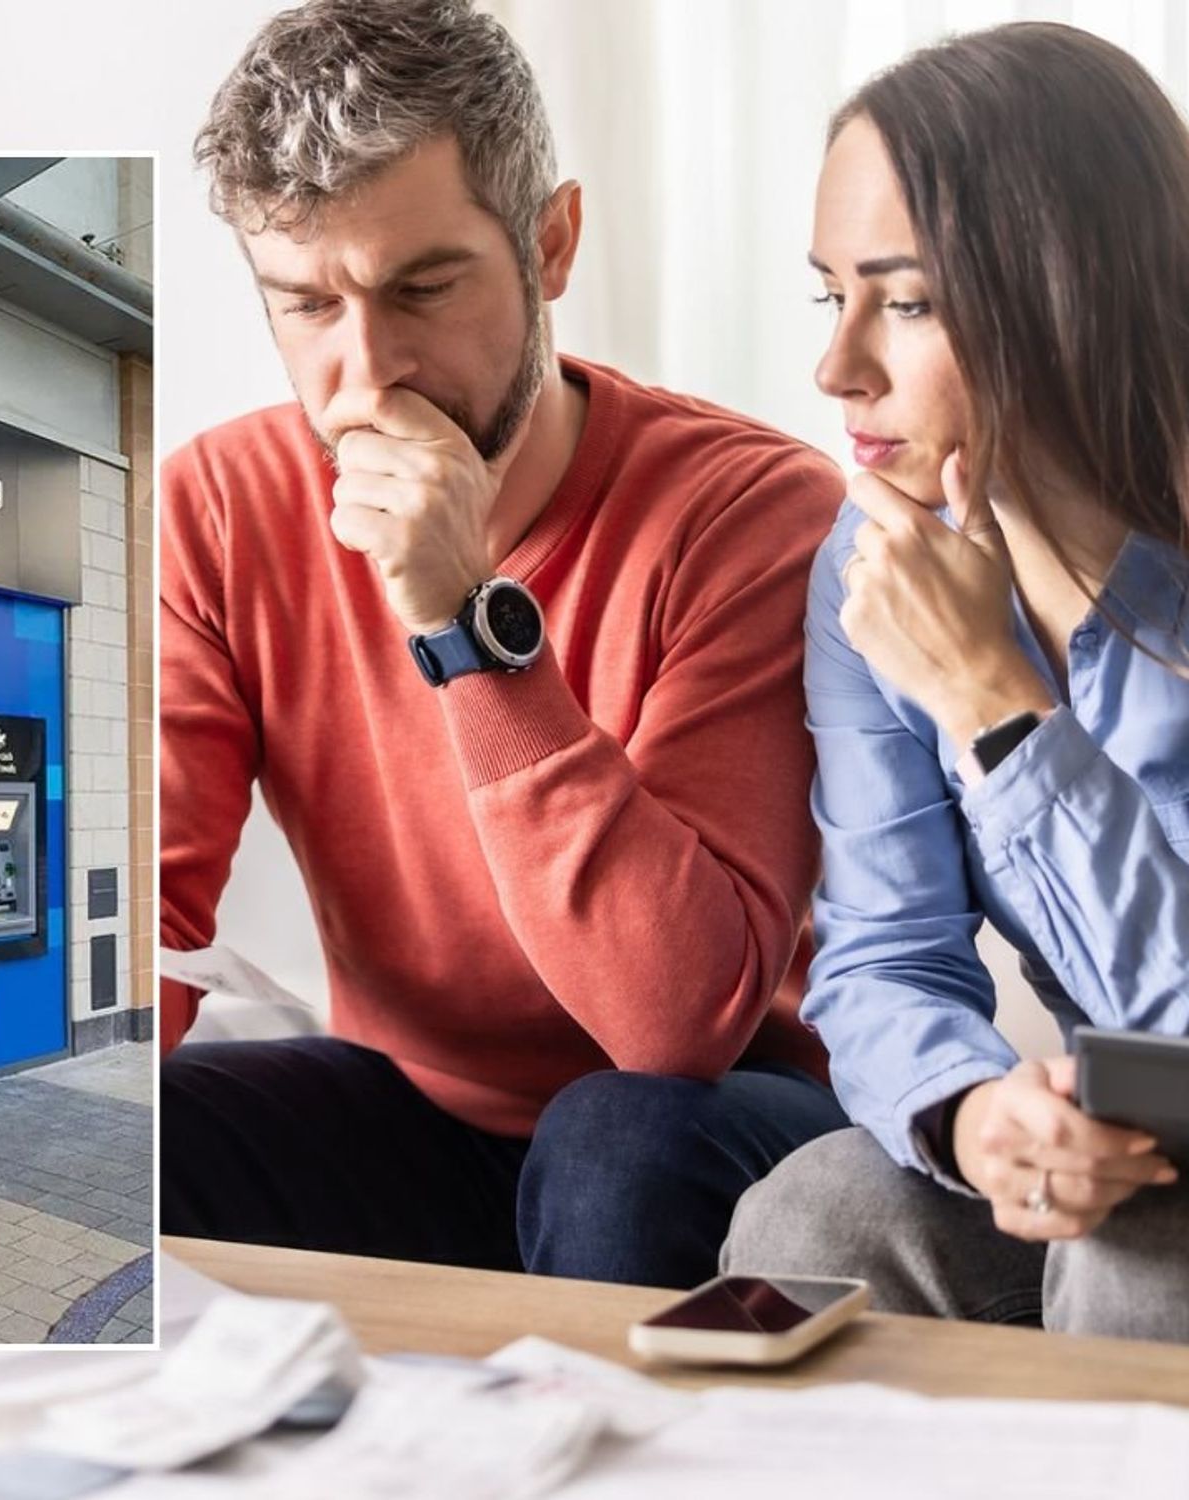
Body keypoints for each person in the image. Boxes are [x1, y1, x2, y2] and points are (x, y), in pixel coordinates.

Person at [160, 0, 849, 1288]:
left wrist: (468, 630)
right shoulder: (215, 504)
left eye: (421, 288)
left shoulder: (753, 512)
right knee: (125, 1133)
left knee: (612, 1143)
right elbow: (144, 911)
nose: (366, 378)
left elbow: (673, 1023)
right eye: (307, 304)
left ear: (551, 241)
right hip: (414, 1114)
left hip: (711, 1121)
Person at [721, 22, 1189, 1343]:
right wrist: (981, 1118)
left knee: (1137, 1262)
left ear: (1067, 292)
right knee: (813, 1220)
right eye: (833, 295)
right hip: (1150, 1123)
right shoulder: (869, 565)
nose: (837, 367)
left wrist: (996, 704)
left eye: (906, 301)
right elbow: (880, 956)